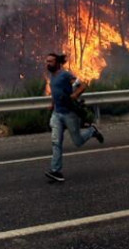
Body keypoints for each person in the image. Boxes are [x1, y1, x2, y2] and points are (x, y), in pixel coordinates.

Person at [44, 52, 103, 182]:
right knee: (56, 142)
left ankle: (92, 131)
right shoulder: (52, 77)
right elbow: (55, 93)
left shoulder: (65, 75)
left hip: (69, 114)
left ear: (57, 63)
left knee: (78, 141)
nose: (48, 64)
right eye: (47, 61)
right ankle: (56, 171)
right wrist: (52, 105)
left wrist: (75, 95)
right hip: (57, 114)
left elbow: (82, 85)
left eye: (50, 61)